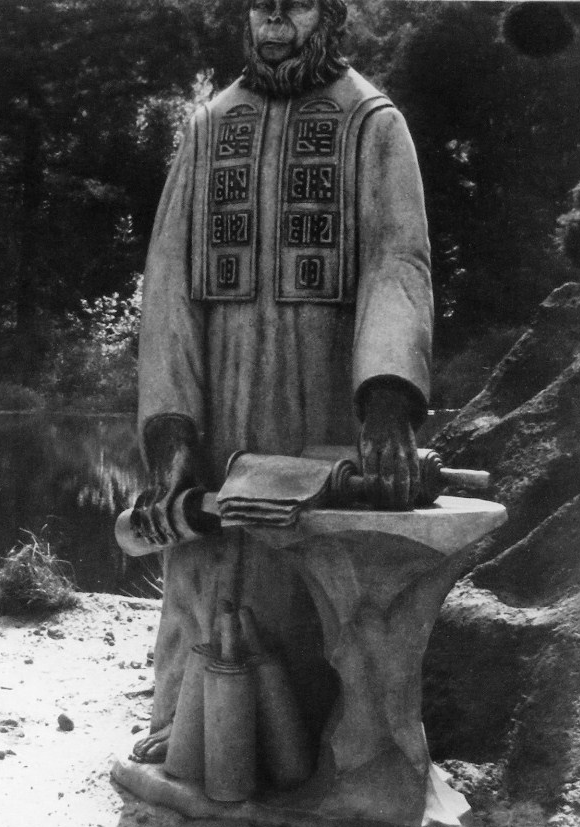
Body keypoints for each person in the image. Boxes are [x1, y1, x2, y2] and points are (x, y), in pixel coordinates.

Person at [129, 0, 432, 764]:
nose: (272, 23)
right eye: (260, 5)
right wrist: (171, 426)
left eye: (293, 6)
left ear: (327, 15)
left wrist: (386, 398)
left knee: (310, 581)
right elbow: (168, 280)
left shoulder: (371, 125)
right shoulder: (208, 128)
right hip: (220, 395)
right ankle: (187, 724)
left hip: (322, 391)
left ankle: (321, 748)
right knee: (205, 562)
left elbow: (397, 262)